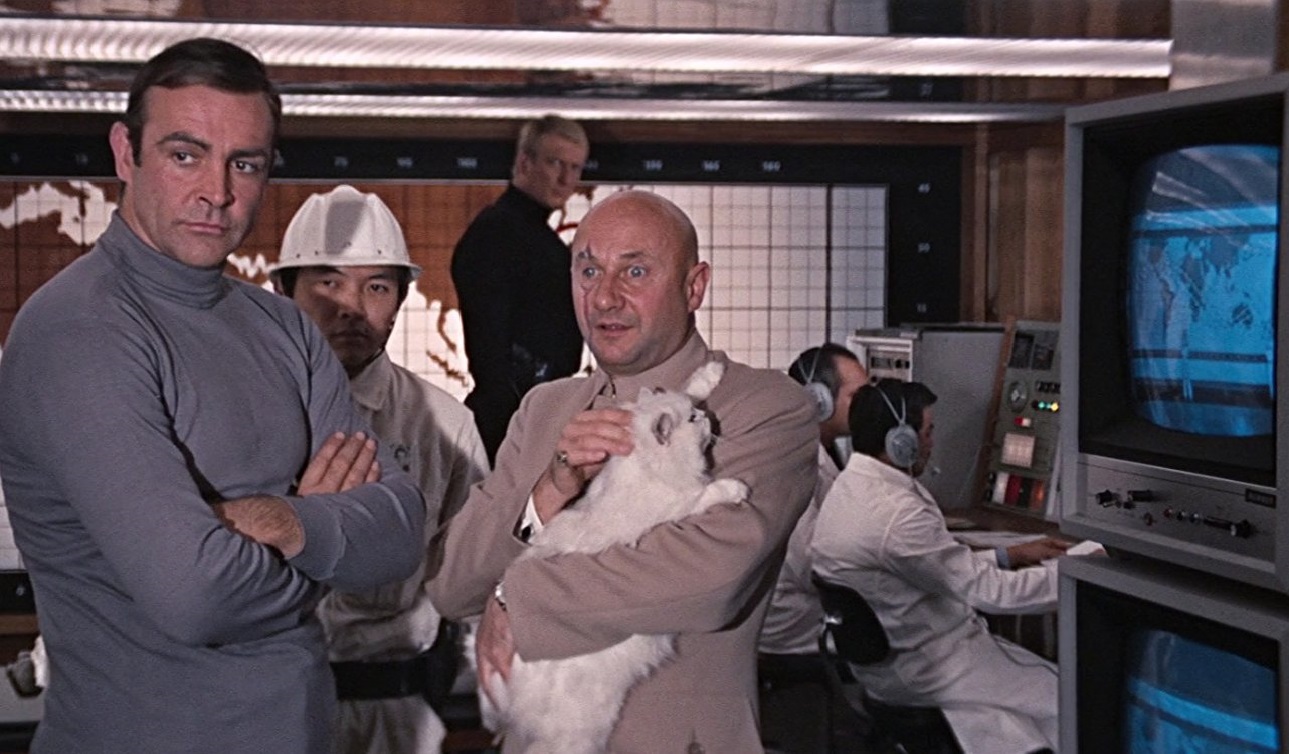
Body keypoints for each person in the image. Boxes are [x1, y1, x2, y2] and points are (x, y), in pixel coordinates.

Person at [0, 39, 426, 754]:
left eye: (244, 164)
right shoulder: (79, 330)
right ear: (125, 153)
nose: (217, 192)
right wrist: (325, 550)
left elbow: (401, 530)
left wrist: (283, 522)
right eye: (185, 155)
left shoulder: (284, 326)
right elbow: (196, 596)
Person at [428, 189, 818, 752]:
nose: (605, 297)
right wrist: (547, 493)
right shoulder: (544, 411)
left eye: (635, 271)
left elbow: (711, 577)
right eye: (588, 270)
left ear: (694, 287)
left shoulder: (762, 407)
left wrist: (517, 595)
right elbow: (451, 585)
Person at [272, 185, 489, 754]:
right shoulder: (230, 414)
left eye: (376, 286)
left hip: (398, 713)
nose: (351, 306)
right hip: (262, 705)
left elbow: (473, 582)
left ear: (400, 299)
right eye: (328, 283)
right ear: (283, 291)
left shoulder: (445, 426)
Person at [811, 378, 1069, 754]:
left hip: (891, 666)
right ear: (901, 441)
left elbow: (926, 569)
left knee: (1016, 720)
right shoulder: (896, 514)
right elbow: (993, 593)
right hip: (931, 667)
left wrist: (1006, 556)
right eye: (928, 432)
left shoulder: (851, 487)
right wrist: (1075, 575)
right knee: (1069, 698)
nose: (931, 443)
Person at [450, 114, 590, 463]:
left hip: (535, 415)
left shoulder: (539, 240)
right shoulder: (496, 233)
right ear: (525, 162)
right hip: (510, 424)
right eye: (555, 163)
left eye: (575, 168)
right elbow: (490, 349)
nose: (566, 179)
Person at [757, 344, 869, 750]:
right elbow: (810, 565)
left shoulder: (819, 450)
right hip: (794, 632)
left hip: (803, 616)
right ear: (817, 399)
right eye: (857, 396)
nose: (868, 407)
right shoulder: (796, 461)